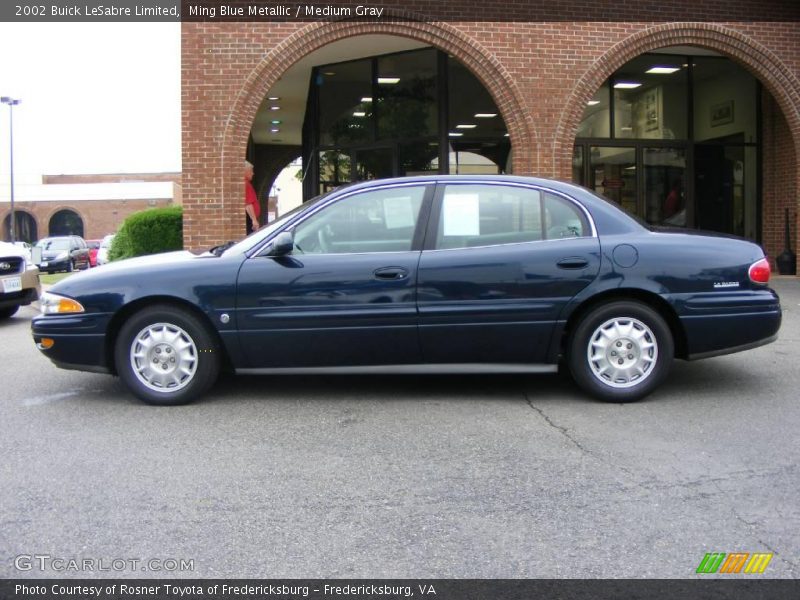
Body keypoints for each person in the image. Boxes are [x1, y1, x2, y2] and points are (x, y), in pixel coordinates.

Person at [244, 160, 260, 234]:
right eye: (251, 171)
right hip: (249, 220)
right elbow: (248, 203)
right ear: (245, 171)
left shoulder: (246, 183)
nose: (253, 173)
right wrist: (254, 220)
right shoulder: (246, 184)